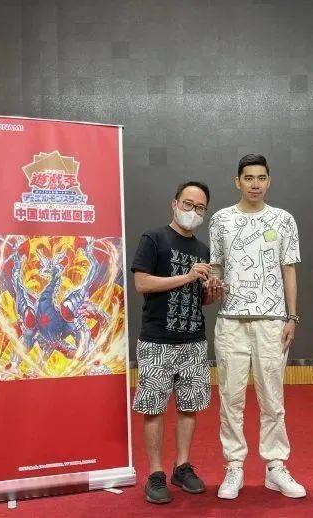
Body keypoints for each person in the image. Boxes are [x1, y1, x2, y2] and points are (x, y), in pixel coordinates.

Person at [209, 154, 306, 499]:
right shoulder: (221, 220)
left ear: (269, 181)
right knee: (230, 398)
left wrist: (291, 317)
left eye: (261, 178)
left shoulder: (283, 219)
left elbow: (288, 270)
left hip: (272, 322)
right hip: (231, 323)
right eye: (248, 178)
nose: (255, 184)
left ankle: (275, 466)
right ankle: (234, 466)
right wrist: (212, 286)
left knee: (272, 399)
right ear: (237, 181)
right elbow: (216, 268)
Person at [131, 181, 224, 504]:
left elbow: (202, 299)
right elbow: (142, 283)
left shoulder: (203, 250)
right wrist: (187, 276)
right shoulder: (153, 238)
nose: (193, 211)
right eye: (188, 204)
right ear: (174, 203)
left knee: (189, 407)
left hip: (193, 341)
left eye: (200, 208)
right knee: (153, 409)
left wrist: (212, 293)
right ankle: (155, 473)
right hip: (157, 340)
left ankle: (181, 467)